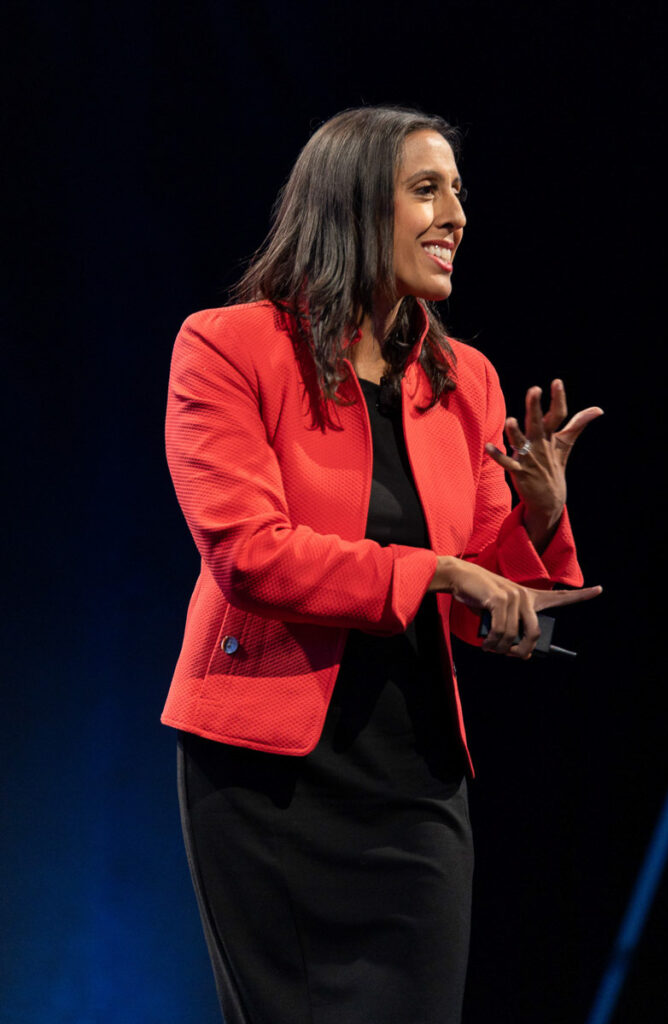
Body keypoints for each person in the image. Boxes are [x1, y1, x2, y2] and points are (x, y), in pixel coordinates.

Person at [162, 106, 602, 1024]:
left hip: (413, 785)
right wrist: (437, 572)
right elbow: (249, 554)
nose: (456, 216)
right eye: (426, 191)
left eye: (458, 194)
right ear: (356, 205)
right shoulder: (227, 346)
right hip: (267, 778)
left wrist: (538, 515)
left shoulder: (464, 378)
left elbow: (485, 588)